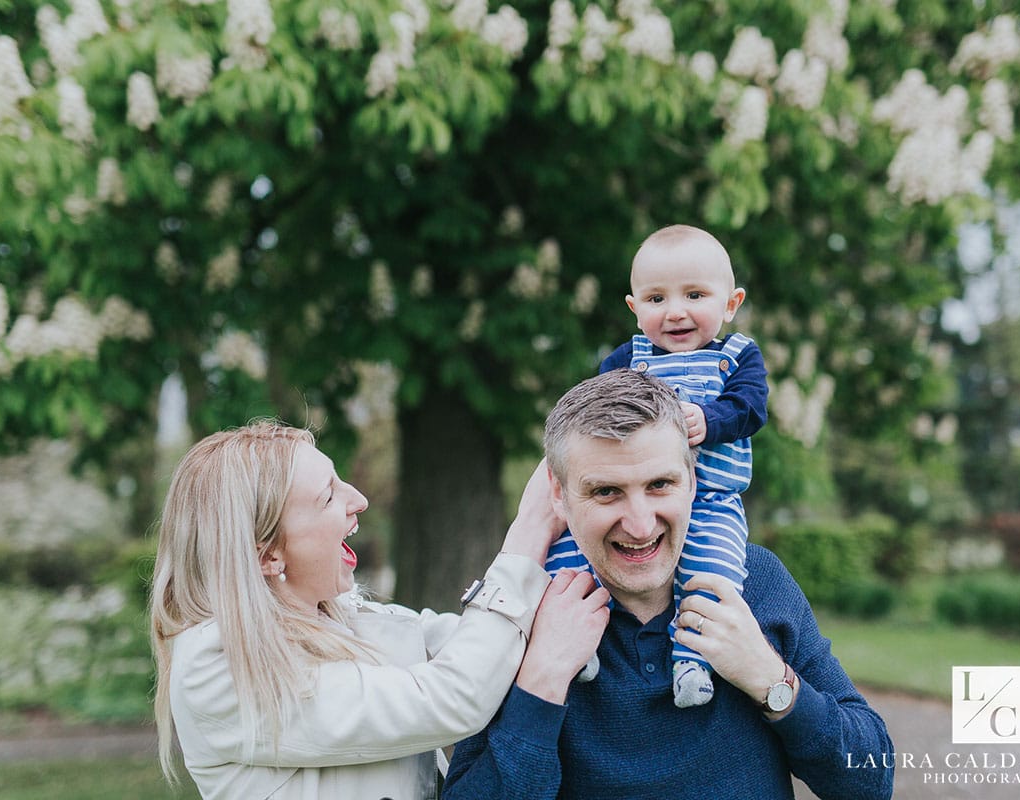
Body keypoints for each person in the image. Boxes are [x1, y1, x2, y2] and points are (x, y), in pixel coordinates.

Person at [443, 370, 894, 800]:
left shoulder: (757, 581)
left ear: (693, 480)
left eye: (660, 484)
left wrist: (769, 678)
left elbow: (871, 781)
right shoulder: (525, 611)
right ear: (558, 495)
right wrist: (542, 680)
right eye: (606, 491)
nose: (640, 525)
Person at [149, 420, 609, 799]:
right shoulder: (218, 665)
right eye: (328, 496)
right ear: (267, 555)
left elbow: (484, 648)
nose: (359, 501)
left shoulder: (337, 616)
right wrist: (530, 530)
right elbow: (453, 696)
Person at [546, 223, 769, 707]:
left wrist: (710, 420)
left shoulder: (735, 357)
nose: (675, 312)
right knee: (568, 555)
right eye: (656, 299)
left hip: (711, 500)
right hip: (633, 491)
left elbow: (752, 408)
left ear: (731, 303)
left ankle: (692, 660)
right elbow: (595, 416)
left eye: (694, 294)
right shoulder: (630, 358)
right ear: (634, 307)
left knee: (713, 572)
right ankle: (573, 641)